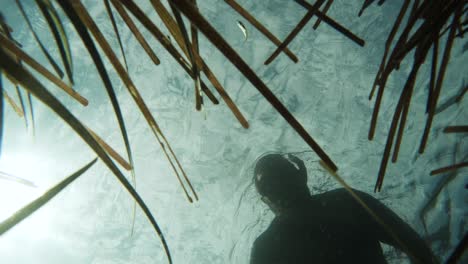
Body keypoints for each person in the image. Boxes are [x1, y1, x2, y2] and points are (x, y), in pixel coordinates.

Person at [250, 154, 438, 264]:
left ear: (267, 201)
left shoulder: (266, 247)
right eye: (274, 185)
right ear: (301, 174)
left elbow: (415, 247)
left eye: (282, 179)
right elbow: (416, 247)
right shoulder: (347, 201)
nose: (283, 188)